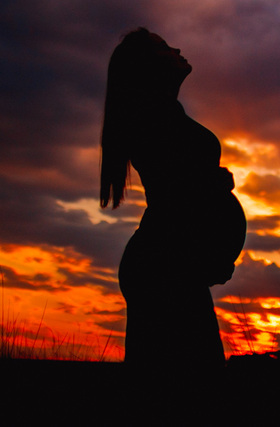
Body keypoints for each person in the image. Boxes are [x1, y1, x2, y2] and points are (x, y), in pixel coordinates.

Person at [100, 27, 246, 370]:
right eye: (164, 47)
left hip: (172, 264)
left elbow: (183, 184)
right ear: (148, 66)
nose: (177, 48)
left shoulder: (165, 113)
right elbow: (179, 198)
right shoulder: (153, 117)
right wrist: (208, 251)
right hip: (166, 266)